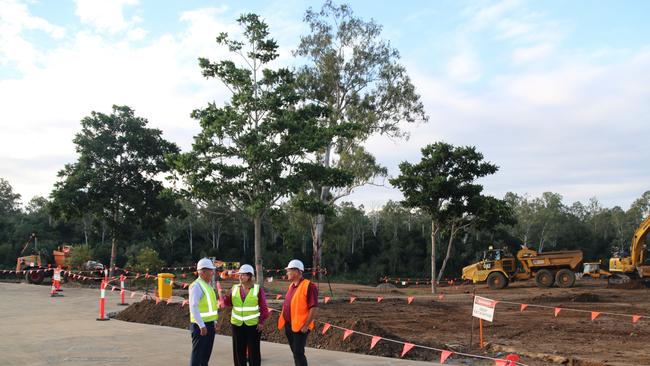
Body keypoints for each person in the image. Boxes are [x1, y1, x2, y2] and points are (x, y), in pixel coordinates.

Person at [221, 264, 269, 366]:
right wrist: (225, 297)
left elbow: (264, 307)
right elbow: (228, 304)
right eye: (239, 274)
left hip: (253, 326)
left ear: (249, 276)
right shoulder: (234, 288)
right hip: (237, 325)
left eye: (243, 275)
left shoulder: (257, 289)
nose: (240, 277)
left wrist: (261, 322)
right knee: (238, 352)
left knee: (254, 352)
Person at [277, 259, 318, 366]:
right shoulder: (291, 286)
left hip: (301, 326)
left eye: (289, 270)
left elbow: (313, 308)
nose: (287, 273)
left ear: (297, 271)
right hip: (289, 325)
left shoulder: (309, 286)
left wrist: (306, 325)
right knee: (295, 352)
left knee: (298, 353)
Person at [189, 258, 219, 366]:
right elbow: (193, 306)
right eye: (210, 270)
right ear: (202, 272)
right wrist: (201, 325)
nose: (212, 273)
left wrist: (214, 322)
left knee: (205, 355)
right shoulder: (196, 286)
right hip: (200, 326)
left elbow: (211, 307)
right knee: (198, 355)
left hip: (209, 325)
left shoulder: (208, 286)